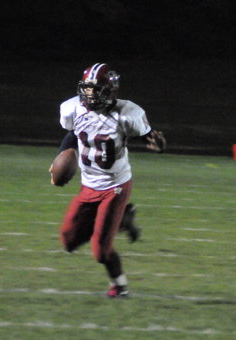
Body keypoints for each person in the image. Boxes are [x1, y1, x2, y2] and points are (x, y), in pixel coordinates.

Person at [51, 63, 166, 298]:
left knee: (100, 251)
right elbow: (72, 134)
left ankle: (120, 287)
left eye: (96, 90)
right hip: (88, 185)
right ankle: (122, 219)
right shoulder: (73, 109)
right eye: (87, 89)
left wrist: (157, 145)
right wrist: (60, 157)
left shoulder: (127, 114)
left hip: (116, 186)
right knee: (68, 240)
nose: (90, 95)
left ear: (110, 91)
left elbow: (148, 137)